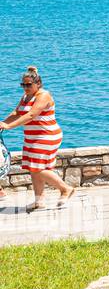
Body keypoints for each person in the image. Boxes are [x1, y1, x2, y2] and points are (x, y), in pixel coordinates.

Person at [1, 66, 72, 212]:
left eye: (29, 85)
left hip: (47, 136)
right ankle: (39, 201)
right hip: (32, 137)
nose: (25, 87)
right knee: (34, 169)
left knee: (37, 168)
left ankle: (65, 189)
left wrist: (9, 127)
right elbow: (17, 112)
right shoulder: (25, 97)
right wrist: (3, 123)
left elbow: (31, 115)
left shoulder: (43, 95)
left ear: (38, 83)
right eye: (23, 85)